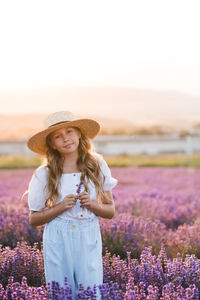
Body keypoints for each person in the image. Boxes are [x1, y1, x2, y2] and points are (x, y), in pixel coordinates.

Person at [26, 111, 118, 299]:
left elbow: (110, 211)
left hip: (88, 233)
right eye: (57, 136)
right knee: (61, 292)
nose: (65, 139)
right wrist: (59, 207)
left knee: (91, 291)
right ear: (52, 144)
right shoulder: (44, 173)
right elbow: (34, 219)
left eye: (69, 132)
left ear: (79, 134)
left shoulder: (97, 165)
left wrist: (92, 205)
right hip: (57, 235)